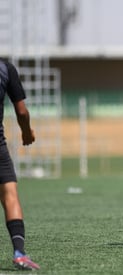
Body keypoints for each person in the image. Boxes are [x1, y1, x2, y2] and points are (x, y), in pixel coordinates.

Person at [0, 59, 40, 270]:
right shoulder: (5, 68)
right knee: (10, 195)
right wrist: (26, 131)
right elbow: (22, 112)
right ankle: (19, 253)